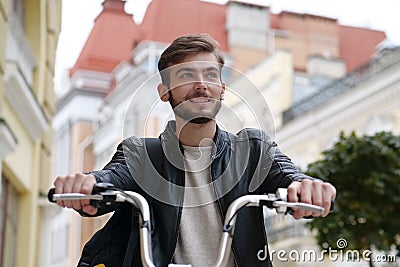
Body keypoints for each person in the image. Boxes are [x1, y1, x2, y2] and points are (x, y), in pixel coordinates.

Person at [54, 33, 336, 267]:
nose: (201, 84)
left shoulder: (252, 149)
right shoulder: (141, 154)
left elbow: (290, 176)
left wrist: (307, 187)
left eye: (210, 75)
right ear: (165, 92)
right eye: (187, 75)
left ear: (222, 88)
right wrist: (88, 185)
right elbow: (111, 179)